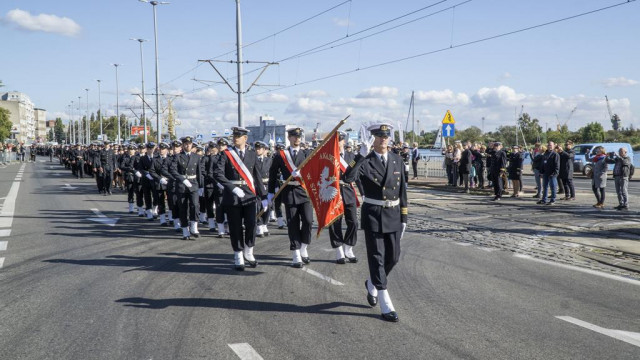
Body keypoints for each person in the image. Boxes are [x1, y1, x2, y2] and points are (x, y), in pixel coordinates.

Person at [343, 123, 407, 323]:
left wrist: (404, 217)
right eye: (379, 136)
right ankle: (385, 300)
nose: (383, 139)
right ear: (373, 139)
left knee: (393, 257)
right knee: (377, 258)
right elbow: (347, 177)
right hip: (374, 215)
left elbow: (403, 190)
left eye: (386, 136)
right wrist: (360, 156)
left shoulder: (396, 159)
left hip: (394, 214)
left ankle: (372, 283)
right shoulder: (366, 161)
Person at [212, 127, 268, 270]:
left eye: (239, 136)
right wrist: (232, 188)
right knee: (235, 226)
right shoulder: (226, 154)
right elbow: (218, 174)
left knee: (251, 223)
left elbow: (257, 177)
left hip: (249, 194)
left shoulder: (252, 154)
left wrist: (264, 197)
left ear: (245, 139)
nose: (235, 138)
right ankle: (238, 254)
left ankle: (249, 251)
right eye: (234, 135)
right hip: (233, 196)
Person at [268, 127, 313, 268]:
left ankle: (304, 246)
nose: (297, 139)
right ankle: (296, 253)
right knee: (292, 223)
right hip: (289, 192)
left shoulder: (308, 153)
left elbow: (314, 172)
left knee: (308, 221)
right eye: (294, 136)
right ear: (289, 138)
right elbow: (272, 174)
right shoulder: (281, 155)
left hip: (304, 191)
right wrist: (270, 193)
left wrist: (304, 175)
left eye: (299, 136)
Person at [329, 131, 359, 264]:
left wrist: (363, 193)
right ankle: (339, 250)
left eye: (340, 140)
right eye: (336, 141)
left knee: (353, 222)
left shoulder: (351, 156)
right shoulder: (328, 156)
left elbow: (356, 175)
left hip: (348, 190)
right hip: (333, 192)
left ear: (344, 142)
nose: (338, 143)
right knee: (335, 223)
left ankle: (348, 247)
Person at [169, 136, 204, 240]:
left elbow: (199, 173)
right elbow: (173, 170)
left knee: (195, 205)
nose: (187, 145)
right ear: (182, 145)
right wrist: (182, 179)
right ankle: (185, 230)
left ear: (192, 144)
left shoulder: (196, 157)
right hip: (182, 185)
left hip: (193, 184)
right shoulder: (177, 157)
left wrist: (201, 186)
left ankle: (194, 226)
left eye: (189, 143)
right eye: (185, 144)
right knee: (183, 207)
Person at [149, 142, 173, 226]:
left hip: (169, 182)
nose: (161, 151)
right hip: (159, 182)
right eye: (160, 149)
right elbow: (152, 171)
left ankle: (171, 217)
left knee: (171, 200)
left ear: (167, 150)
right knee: (160, 201)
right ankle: (162, 218)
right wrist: (160, 178)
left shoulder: (171, 159)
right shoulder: (155, 159)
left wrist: (170, 178)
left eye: (163, 149)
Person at [254, 141, 272, 237]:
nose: (257, 150)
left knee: (268, 206)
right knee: (258, 206)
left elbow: (272, 173)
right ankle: (259, 226)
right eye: (256, 148)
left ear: (264, 150)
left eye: (260, 148)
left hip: (267, 185)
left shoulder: (268, 160)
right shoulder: (253, 160)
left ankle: (265, 224)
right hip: (256, 186)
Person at [538, 141, 560, 205]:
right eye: (548, 145)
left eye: (550, 145)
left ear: (553, 146)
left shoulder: (555, 154)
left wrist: (555, 173)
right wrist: (541, 172)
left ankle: (553, 200)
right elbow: (542, 163)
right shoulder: (545, 153)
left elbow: (557, 165)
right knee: (545, 186)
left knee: (553, 187)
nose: (549, 146)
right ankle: (544, 199)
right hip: (545, 173)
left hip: (552, 173)